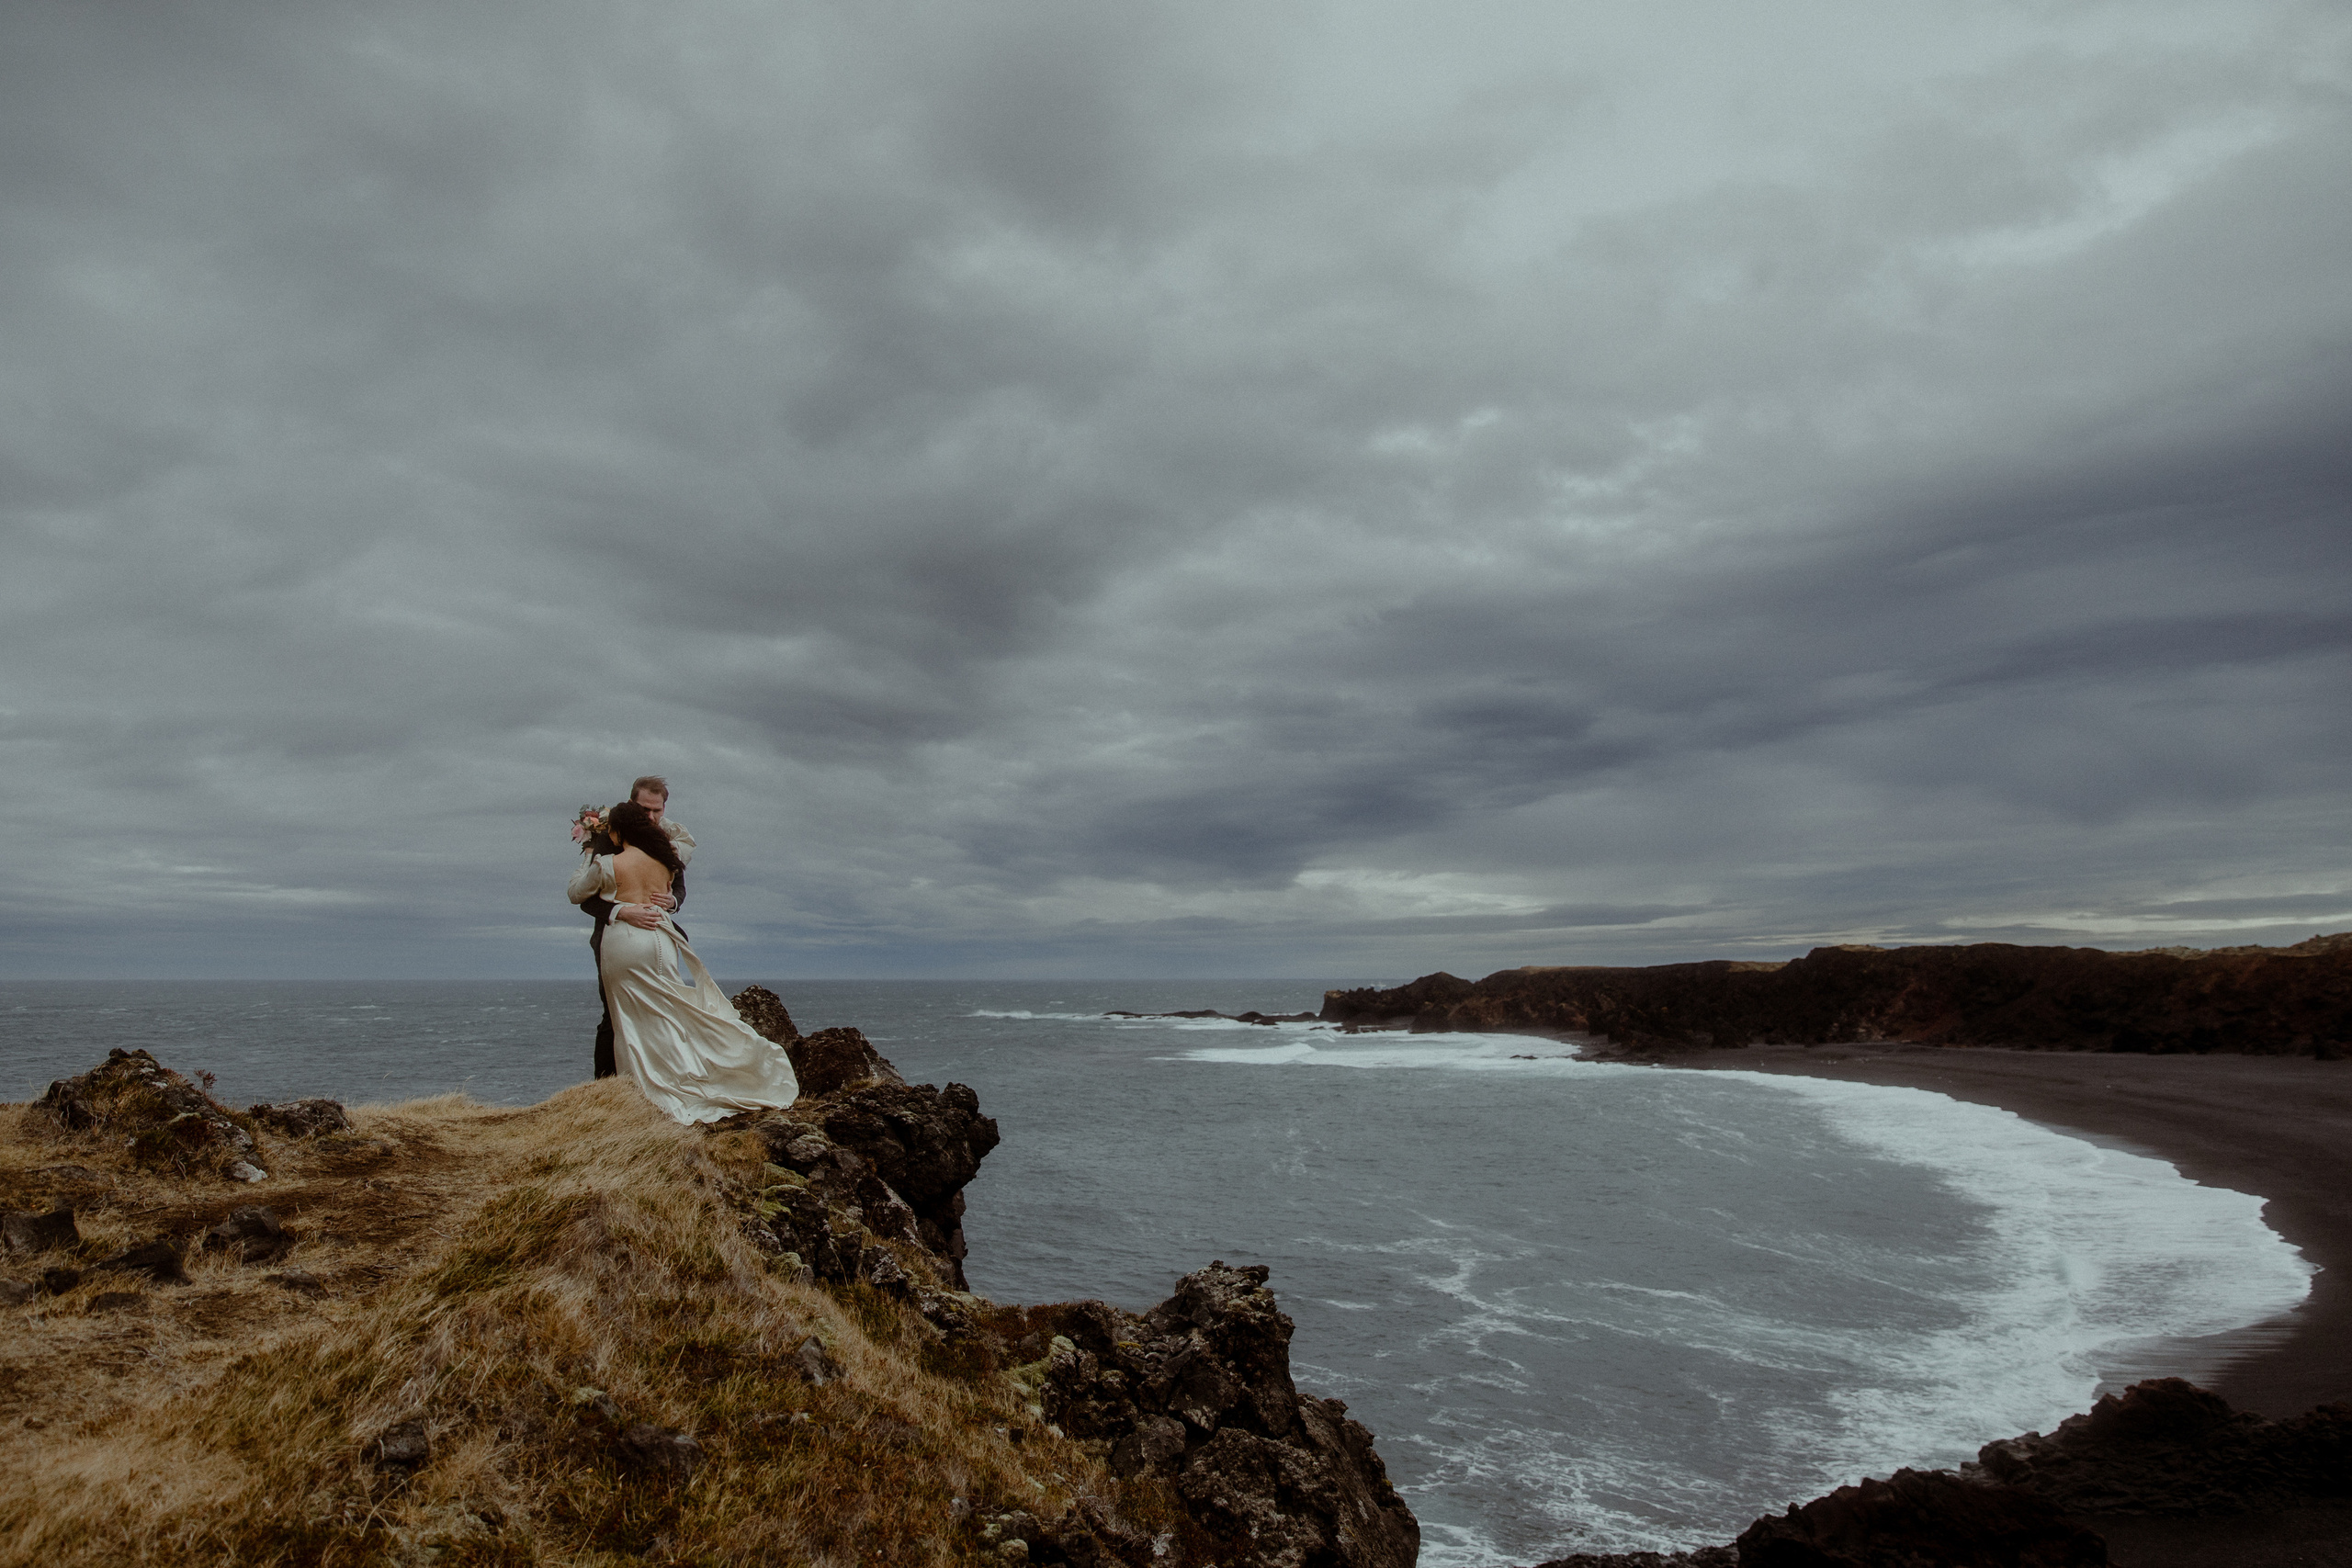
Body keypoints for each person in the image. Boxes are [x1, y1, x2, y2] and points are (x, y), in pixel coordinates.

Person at [566, 796, 800, 1122]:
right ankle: (689, 1075)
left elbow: (576, 892)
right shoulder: (666, 861)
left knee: (630, 1020)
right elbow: (671, 895)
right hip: (662, 939)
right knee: (667, 1013)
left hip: (627, 941)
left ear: (617, 832)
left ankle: (645, 1088)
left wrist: (591, 851)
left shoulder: (609, 863)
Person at [570, 776, 696, 1078]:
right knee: (613, 1016)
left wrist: (671, 901)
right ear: (631, 804)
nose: (650, 817)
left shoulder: (668, 840)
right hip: (613, 935)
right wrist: (622, 911)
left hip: (657, 933)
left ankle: (662, 1078)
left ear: (664, 809)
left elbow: (679, 888)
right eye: (644, 809)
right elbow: (585, 900)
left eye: (657, 810)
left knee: (663, 1010)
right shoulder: (608, 838)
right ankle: (605, 1085)